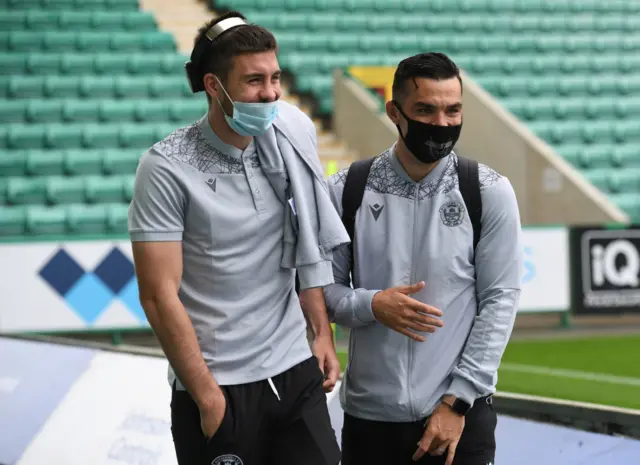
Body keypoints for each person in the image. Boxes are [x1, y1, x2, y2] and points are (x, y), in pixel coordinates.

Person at [127, 11, 347, 465]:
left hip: (294, 368)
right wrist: (208, 399)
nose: (269, 94)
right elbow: (157, 294)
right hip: (218, 384)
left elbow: (306, 239)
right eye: (253, 81)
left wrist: (320, 333)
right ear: (214, 86)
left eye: (275, 78)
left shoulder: (290, 133)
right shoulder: (165, 167)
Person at [324, 52, 523, 465]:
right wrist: (372, 304)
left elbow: (500, 300)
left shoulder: (487, 190)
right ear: (394, 112)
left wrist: (459, 402)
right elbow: (322, 291)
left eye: (453, 110)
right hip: (368, 419)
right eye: (425, 110)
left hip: (457, 419)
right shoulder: (347, 189)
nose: (442, 123)